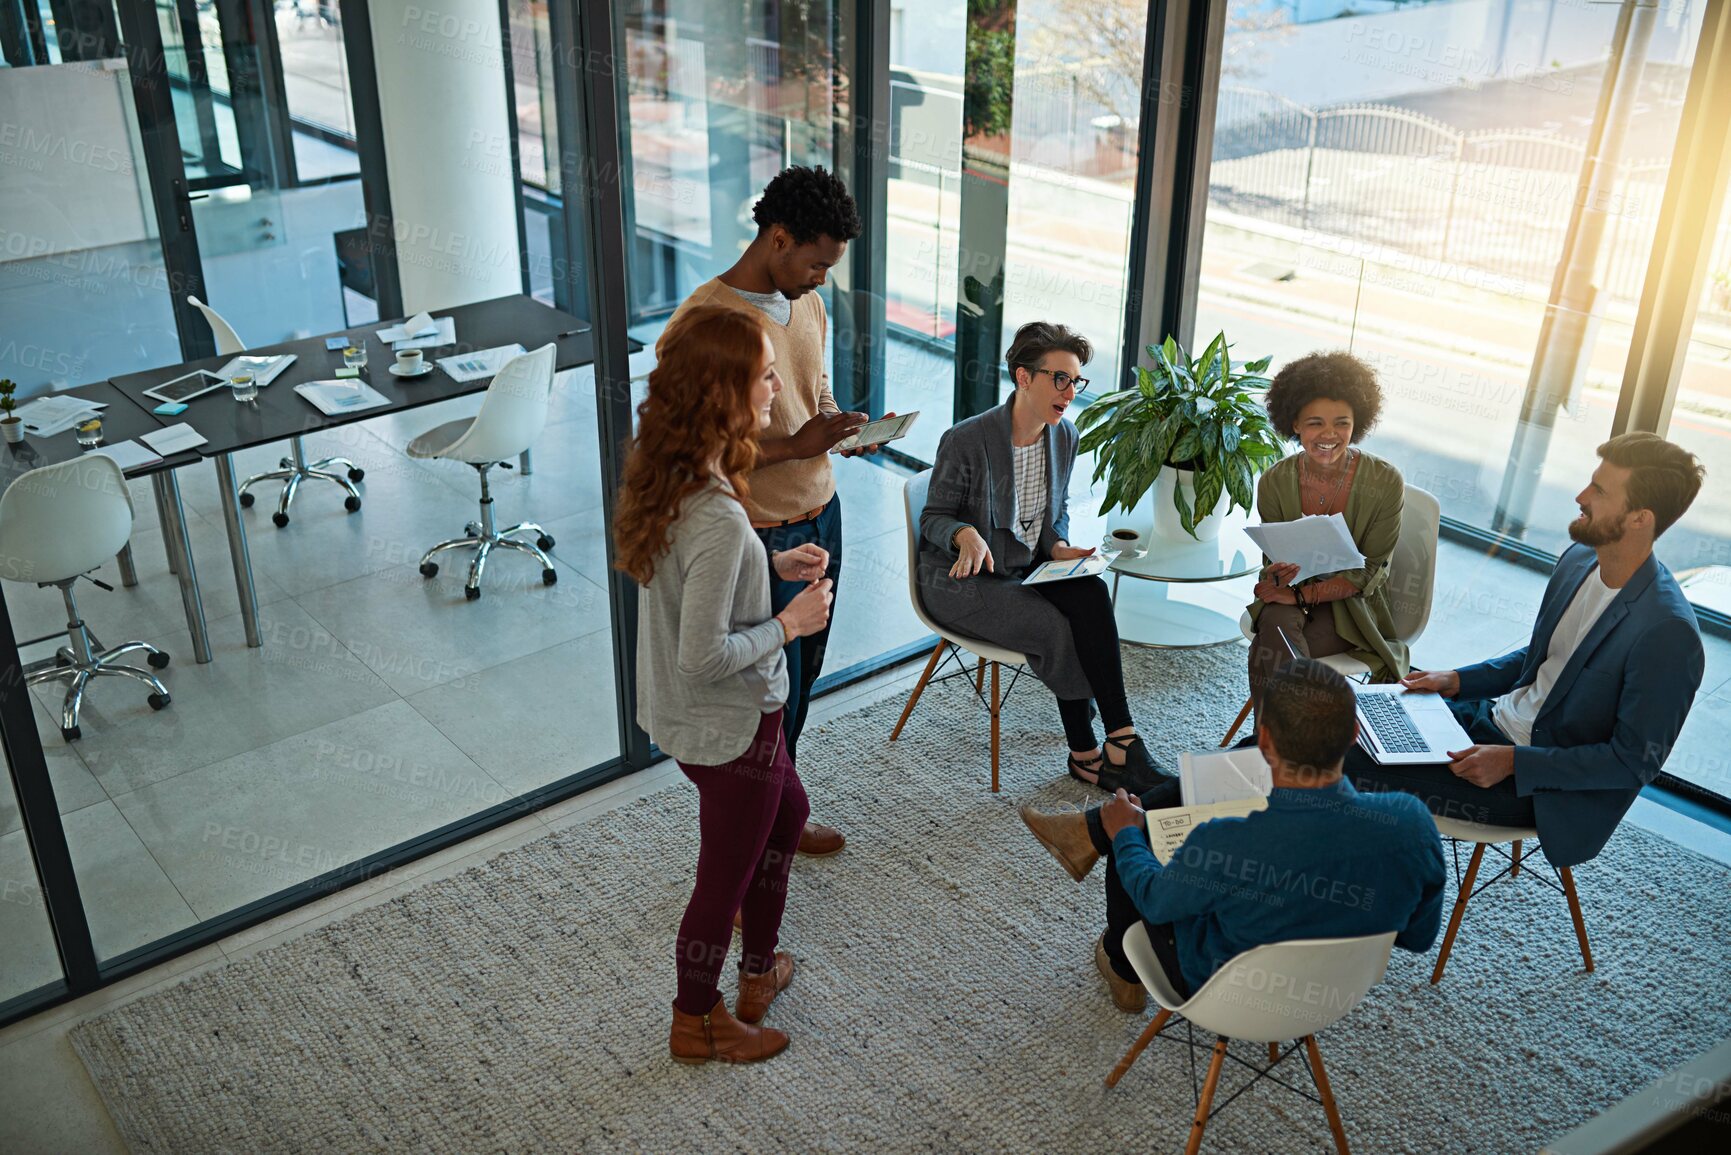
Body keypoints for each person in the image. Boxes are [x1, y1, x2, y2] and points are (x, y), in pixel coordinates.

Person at [618, 305, 835, 1065]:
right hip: (727, 723)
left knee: (789, 817)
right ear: (725, 392)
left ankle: (756, 971)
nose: (778, 387)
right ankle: (694, 1017)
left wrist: (769, 568)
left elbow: (694, 585)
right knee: (724, 880)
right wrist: (793, 621)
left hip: (710, 719)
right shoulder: (713, 514)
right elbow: (702, 656)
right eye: (764, 375)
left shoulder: (676, 467)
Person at [1345, 433, 1706, 871]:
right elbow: (1543, 657)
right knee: (1326, 714)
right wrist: (1457, 680)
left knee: (1329, 757)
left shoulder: (1667, 631)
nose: (1581, 496)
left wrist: (1515, 762)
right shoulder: (1578, 559)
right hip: (1487, 722)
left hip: (1535, 788)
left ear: (1639, 518)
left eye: (1600, 491)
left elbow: (1631, 764)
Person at [658, 165, 873, 858]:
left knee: (801, 683)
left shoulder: (802, 300)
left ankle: (783, 805)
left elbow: (814, 386)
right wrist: (792, 446)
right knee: (753, 707)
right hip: (753, 532)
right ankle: (748, 840)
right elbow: (693, 453)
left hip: (821, 514)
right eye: (816, 263)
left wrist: (835, 425)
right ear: (776, 238)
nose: (821, 278)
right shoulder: (704, 321)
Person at [1021, 659, 1445, 1009]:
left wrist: (1128, 836)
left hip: (1222, 990)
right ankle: (1090, 833)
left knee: (1134, 835)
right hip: (1336, 993)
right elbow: (1418, 936)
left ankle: (1123, 970)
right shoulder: (1413, 823)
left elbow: (1154, 899)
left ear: (1264, 744)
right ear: (1355, 734)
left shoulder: (1219, 843)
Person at [919, 321, 1167, 792]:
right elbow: (933, 518)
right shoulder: (967, 440)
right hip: (965, 579)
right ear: (1023, 377)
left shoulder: (1064, 436)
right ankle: (1085, 753)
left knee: (1091, 592)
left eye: (1076, 381)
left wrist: (1057, 546)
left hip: (1028, 564)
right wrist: (965, 533)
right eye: (1060, 378)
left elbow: (1054, 514)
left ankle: (1122, 737)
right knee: (1054, 626)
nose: (1070, 391)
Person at [1247, 352, 1408, 719]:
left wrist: (1302, 595)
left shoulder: (1384, 482)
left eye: (1342, 423)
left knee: (1269, 647)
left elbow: (1369, 573)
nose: (1329, 435)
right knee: (1276, 627)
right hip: (1290, 598)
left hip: (1351, 609)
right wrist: (1276, 579)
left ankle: (1272, 742)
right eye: (1315, 423)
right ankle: (1290, 744)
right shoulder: (1275, 481)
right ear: (1295, 425)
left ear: (1359, 423)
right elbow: (1272, 561)